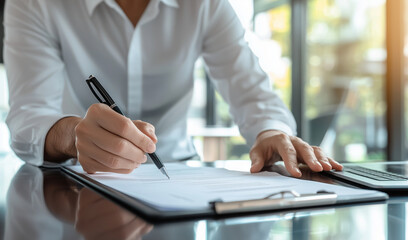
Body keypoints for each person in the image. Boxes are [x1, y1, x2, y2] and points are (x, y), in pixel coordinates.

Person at [4, 0, 342, 177]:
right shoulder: (37, 2)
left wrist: (271, 131)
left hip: (181, 174)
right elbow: (28, 115)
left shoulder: (207, 4)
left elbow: (253, 92)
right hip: (81, 174)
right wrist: (74, 135)